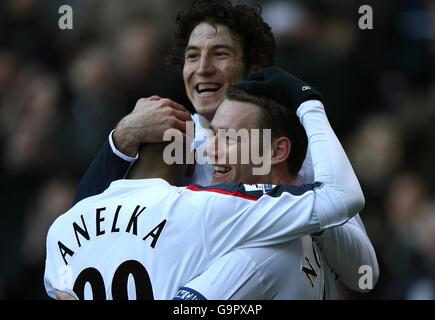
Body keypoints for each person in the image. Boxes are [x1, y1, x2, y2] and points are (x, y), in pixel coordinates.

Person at [72, 0, 378, 294]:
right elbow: (82, 228)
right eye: (192, 56)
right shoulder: (162, 142)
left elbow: (364, 273)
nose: (202, 68)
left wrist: (301, 205)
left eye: (220, 54)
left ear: (254, 68)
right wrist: (121, 138)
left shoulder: (288, 149)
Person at [44, 67, 364, 300]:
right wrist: (308, 102)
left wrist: (121, 138)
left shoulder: (61, 228)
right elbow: (340, 198)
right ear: (186, 157)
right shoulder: (205, 208)